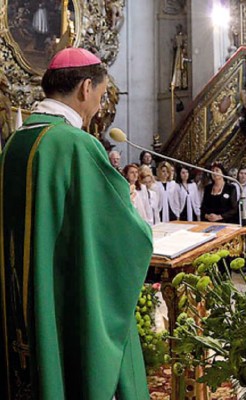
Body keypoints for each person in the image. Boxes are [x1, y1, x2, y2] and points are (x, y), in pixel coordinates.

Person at [0, 47, 151, 399]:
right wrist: (128, 204)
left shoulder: (16, 143)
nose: (99, 105)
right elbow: (123, 236)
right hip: (62, 299)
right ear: (85, 88)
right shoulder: (75, 145)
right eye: (101, 95)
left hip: (22, 300)